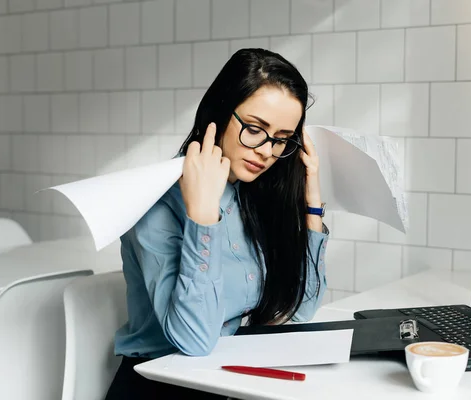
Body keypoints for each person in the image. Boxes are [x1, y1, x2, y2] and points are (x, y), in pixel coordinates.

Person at [105, 48, 329, 400]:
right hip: (159, 386)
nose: (267, 151)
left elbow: (298, 312)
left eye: (282, 138)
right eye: (255, 129)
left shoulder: (249, 193)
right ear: (220, 113)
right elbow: (194, 341)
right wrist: (202, 218)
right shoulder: (153, 203)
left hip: (223, 381)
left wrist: (311, 203)